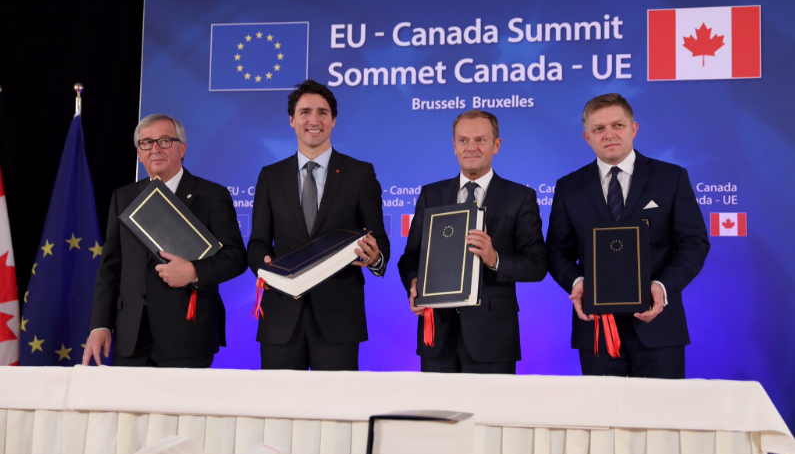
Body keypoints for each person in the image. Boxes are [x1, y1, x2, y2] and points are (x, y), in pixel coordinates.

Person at [546, 93, 710, 379]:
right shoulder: (569, 187)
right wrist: (577, 282)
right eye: (599, 129)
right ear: (587, 137)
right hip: (596, 329)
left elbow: (694, 243)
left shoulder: (671, 177)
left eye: (617, 125)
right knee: (602, 420)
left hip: (658, 327)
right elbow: (557, 251)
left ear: (633, 129)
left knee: (661, 420)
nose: (609, 134)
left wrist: (662, 286)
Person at [83, 114, 247, 368]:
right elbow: (110, 267)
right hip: (131, 335)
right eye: (146, 143)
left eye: (164, 141)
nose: (155, 149)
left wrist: (194, 271)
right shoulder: (123, 197)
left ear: (182, 148)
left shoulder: (212, 195)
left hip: (188, 335)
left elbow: (236, 258)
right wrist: (100, 325)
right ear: (139, 153)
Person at [248, 79, 389, 371]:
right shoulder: (270, 176)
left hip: (339, 319)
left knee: (337, 412)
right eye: (305, 112)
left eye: (323, 112)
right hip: (281, 318)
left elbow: (379, 240)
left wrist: (375, 258)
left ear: (333, 120)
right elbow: (258, 242)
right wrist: (265, 268)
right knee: (279, 414)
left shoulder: (360, 173)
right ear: (292, 120)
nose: (314, 120)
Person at [397, 109, 546, 374]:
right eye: (463, 140)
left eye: (480, 140)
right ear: (454, 146)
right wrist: (414, 283)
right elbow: (411, 257)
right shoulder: (431, 194)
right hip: (437, 334)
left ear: (496, 145)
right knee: (438, 414)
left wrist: (494, 259)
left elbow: (536, 265)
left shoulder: (520, 197)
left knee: (491, 416)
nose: (471, 147)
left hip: (493, 337)